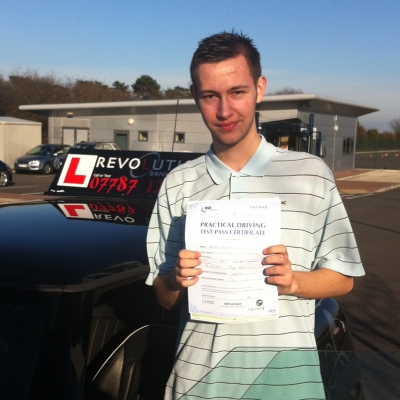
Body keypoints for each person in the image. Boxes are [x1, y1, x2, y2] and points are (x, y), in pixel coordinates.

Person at [146, 31, 364, 400]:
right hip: (198, 387)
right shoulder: (177, 183)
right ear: (196, 96)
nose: (224, 111)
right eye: (210, 95)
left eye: (237, 92)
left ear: (259, 88)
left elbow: (343, 279)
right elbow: (163, 298)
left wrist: (294, 282)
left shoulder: (311, 174)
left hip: (290, 388)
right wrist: (175, 280)